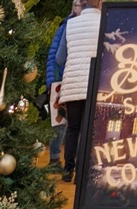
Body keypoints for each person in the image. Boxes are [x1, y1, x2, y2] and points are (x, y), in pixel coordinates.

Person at [56, 0, 103, 183]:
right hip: (94, 83)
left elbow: (60, 58)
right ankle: (84, 173)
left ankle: (68, 169)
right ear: (99, 3)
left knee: (73, 128)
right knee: (89, 130)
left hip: (73, 82)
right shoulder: (104, 22)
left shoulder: (71, 24)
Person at [45, 0, 83, 171]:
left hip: (76, 80)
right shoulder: (65, 27)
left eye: (80, 5)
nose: (77, 8)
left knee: (74, 126)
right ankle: (54, 159)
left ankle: (73, 163)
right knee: (59, 123)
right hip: (61, 80)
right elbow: (54, 56)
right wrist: (51, 81)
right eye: (75, 5)